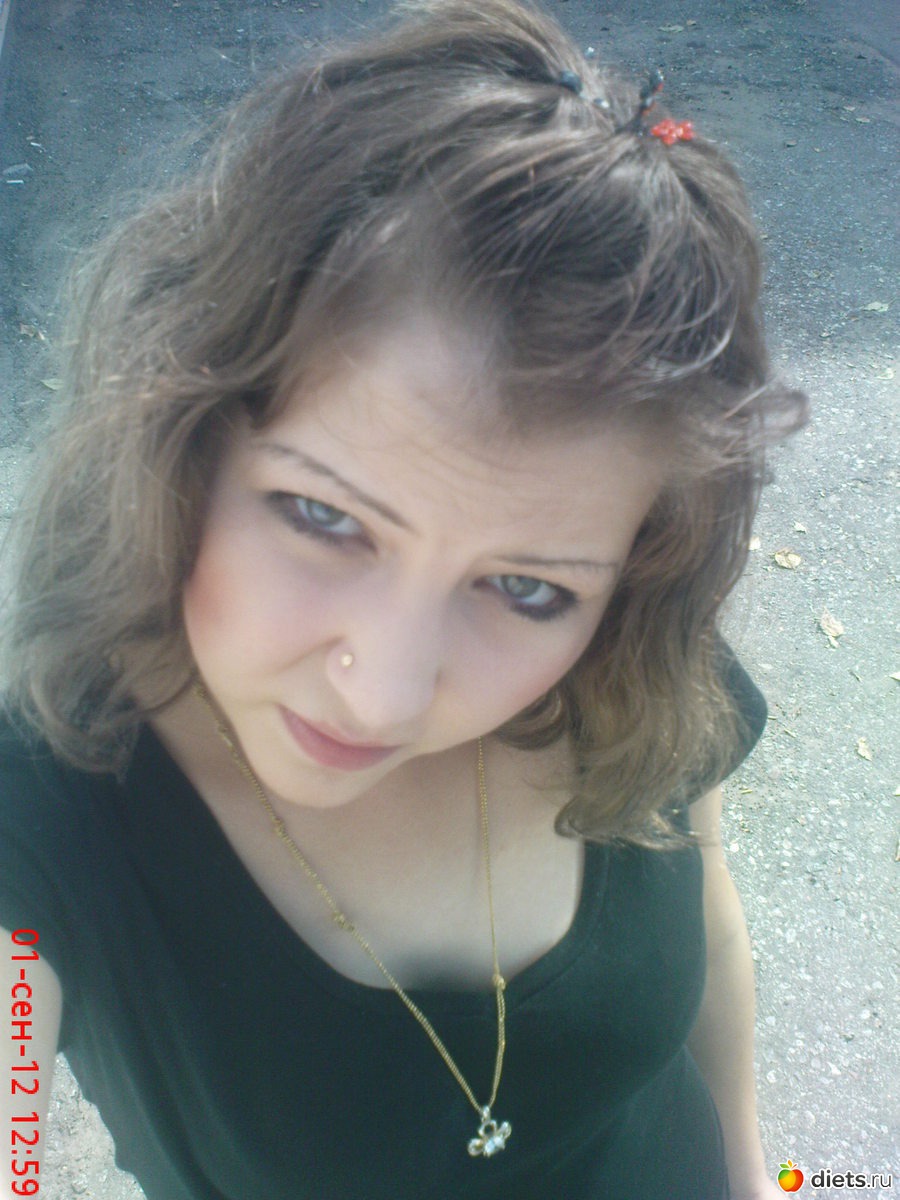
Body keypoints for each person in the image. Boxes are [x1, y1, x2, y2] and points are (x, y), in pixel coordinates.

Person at [0, 1, 808, 1197]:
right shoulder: (46, 811)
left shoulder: (631, 671)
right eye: (322, 517)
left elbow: (712, 936)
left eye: (526, 588)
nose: (381, 692)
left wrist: (754, 1177)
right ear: (187, 434)